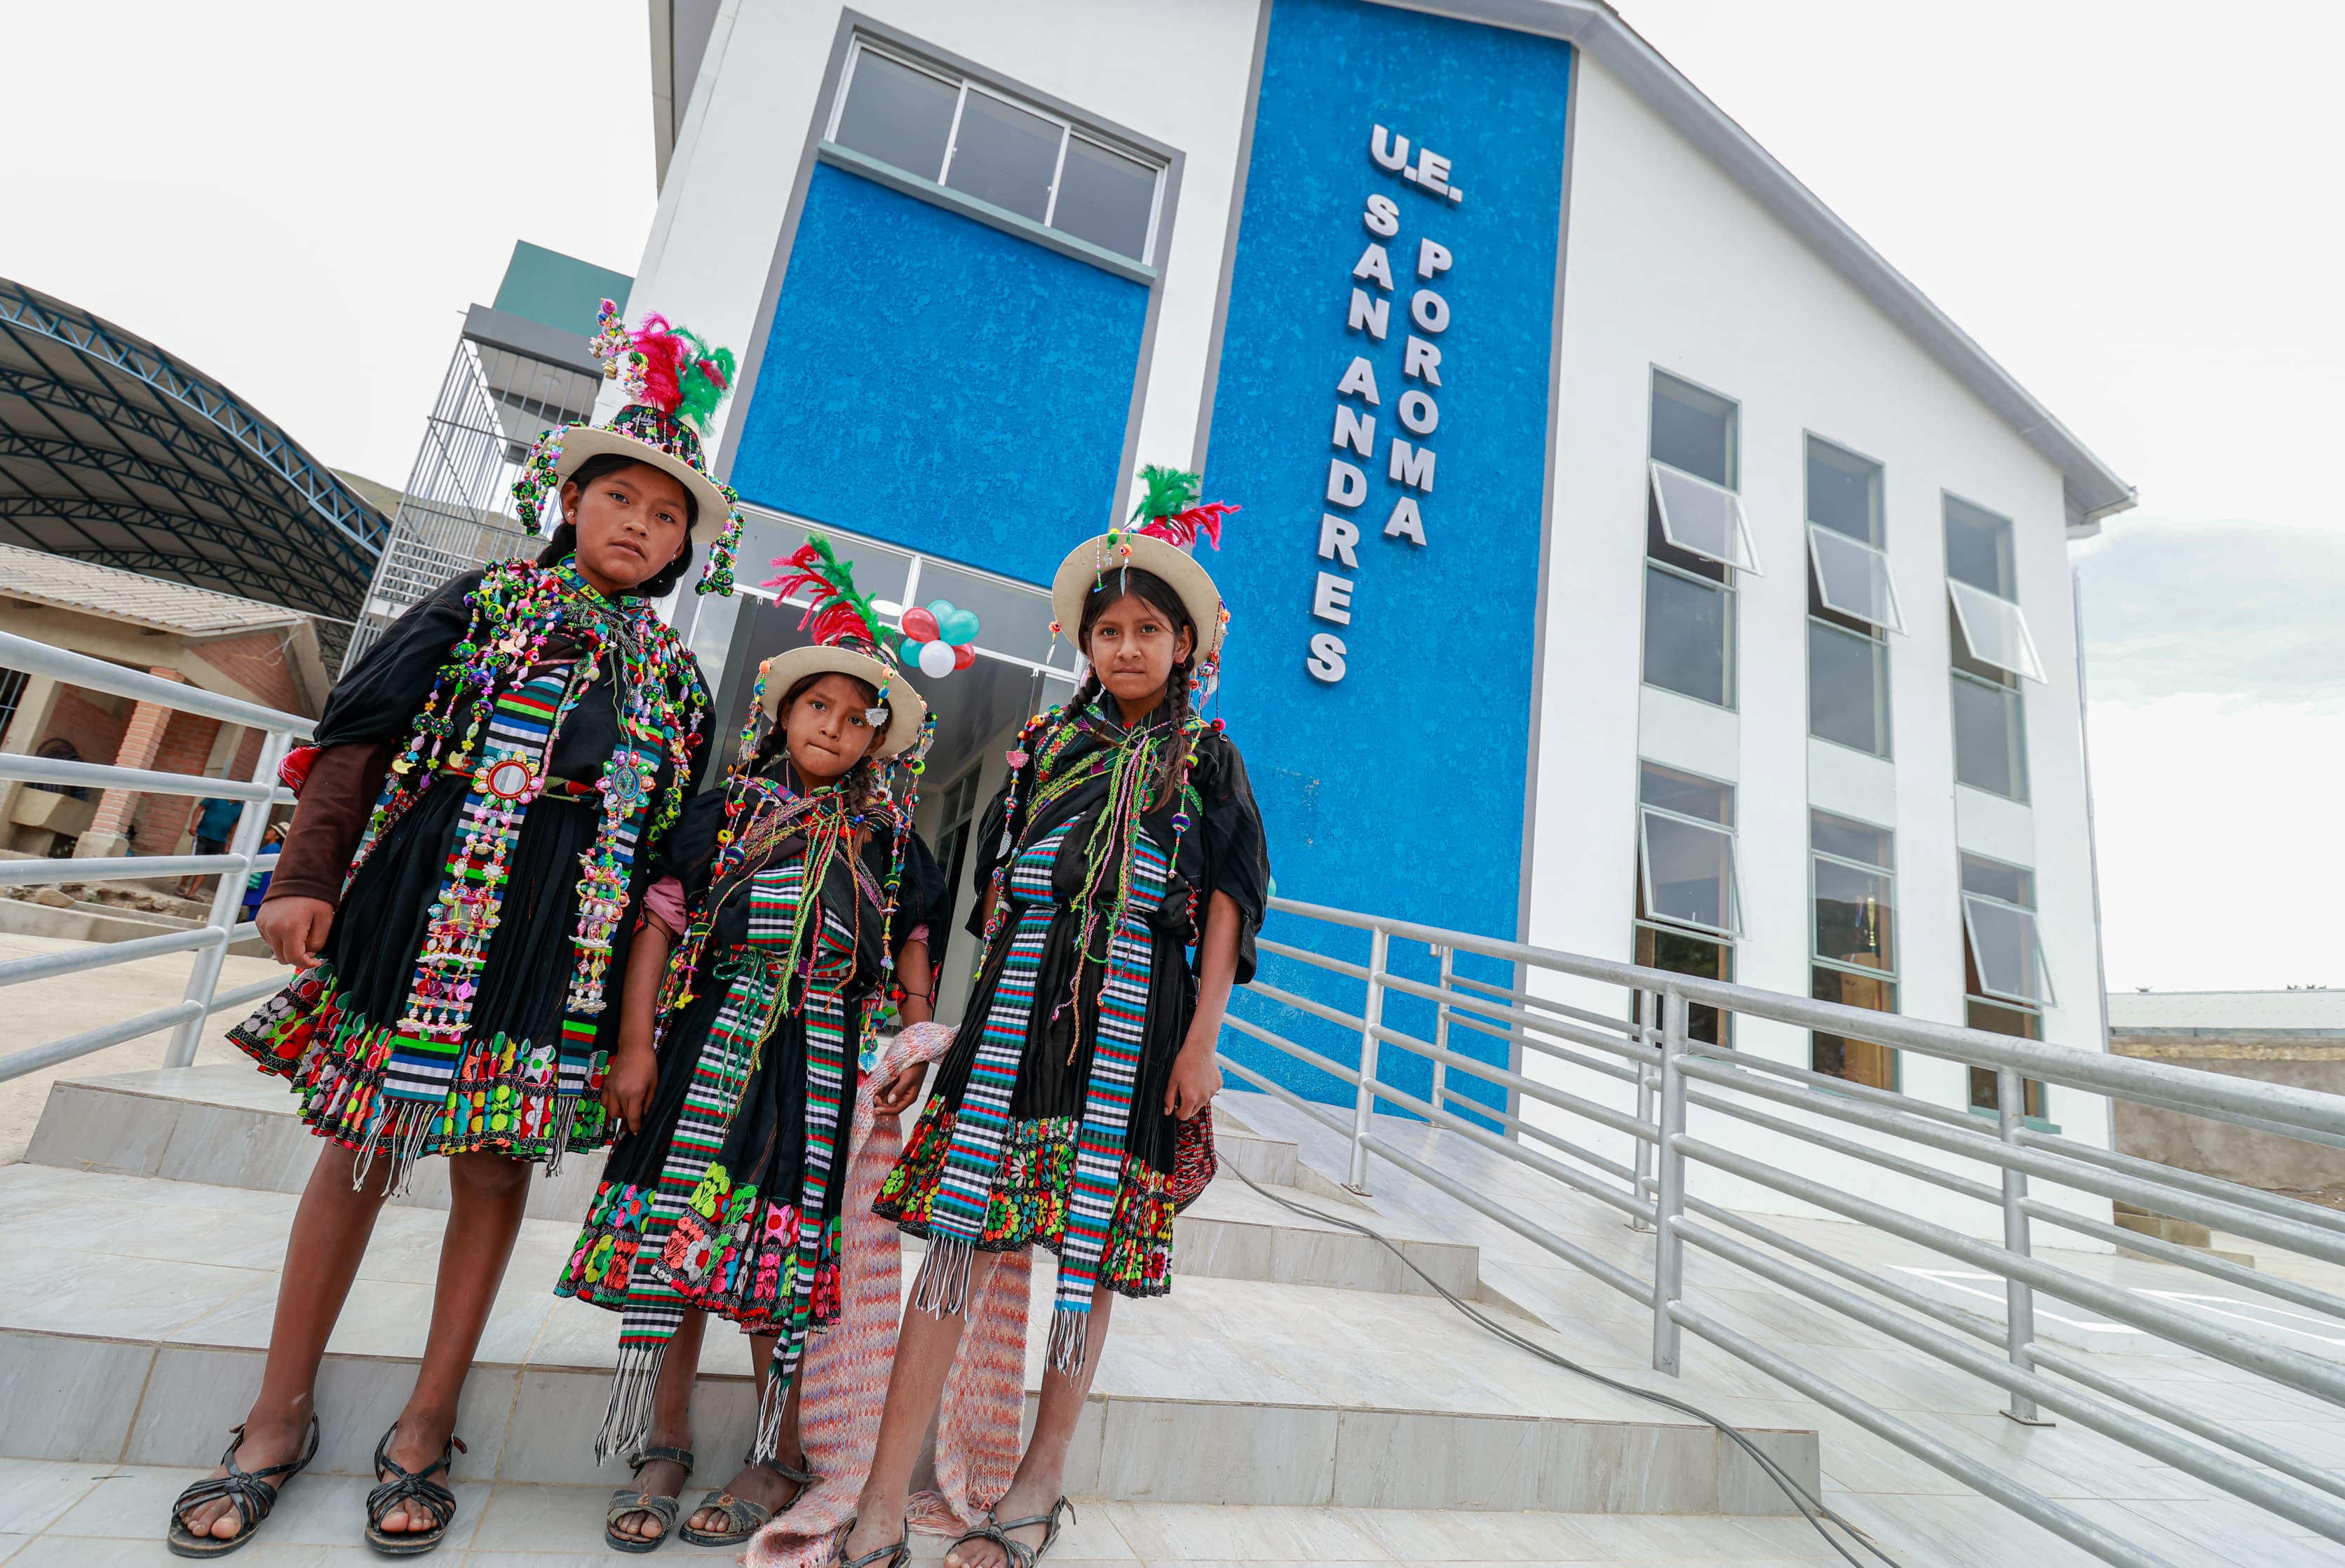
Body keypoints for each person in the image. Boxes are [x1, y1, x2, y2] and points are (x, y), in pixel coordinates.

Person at [166, 304, 744, 1559]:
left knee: (492, 1169)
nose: (639, 525)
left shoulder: (679, 685)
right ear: (571, 501)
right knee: (361, 1148)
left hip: (562, 949)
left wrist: (636, 1027)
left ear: (683, 548)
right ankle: (276, 1417)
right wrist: (305, 874)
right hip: (428, 910)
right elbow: (361, 735)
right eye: (620, 498)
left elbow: (663, 864)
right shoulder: (482, 603)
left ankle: (427, 1427)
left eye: (666, 516)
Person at [811, 468, 1270, 1568]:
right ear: (1085, 644)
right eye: (1109, 631)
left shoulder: (1210, 760)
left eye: (1149, 630)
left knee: (1090, 1255)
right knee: (957, 1240)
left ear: (1186, 647)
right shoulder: (1041, 749)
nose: (1127, 648)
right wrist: (946, 1031)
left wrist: (1202, 1043)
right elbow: (999, 900)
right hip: (1016, 1017)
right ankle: (884, 1492)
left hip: (1140, 1024)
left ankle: (1036, 1481)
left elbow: (1227, 904)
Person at [565, 538, 951, 1553]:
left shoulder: (891, 848)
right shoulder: (722, 814)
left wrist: (914, 1044)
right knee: (674, 1244)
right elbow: (658, 924)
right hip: (705, 1046)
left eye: (857, 718)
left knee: (781, 1264)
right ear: (782, 712)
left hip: (818, 1065)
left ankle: (777, 1453)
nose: (834, 726)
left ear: (878, 741)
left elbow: (913, 950)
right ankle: (663, 1439)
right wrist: (635, 1045)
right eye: (818, 705)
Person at [180, 793, 245, 898]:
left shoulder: (241, 808)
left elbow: (235, 824)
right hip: (203, 834)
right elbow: (199, 809)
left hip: (220, 840)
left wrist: (231, 840)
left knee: (208, 867)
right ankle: (182, 885)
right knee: (194, 862)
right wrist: (193, 825)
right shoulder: (217, 797)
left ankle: (191, 894)